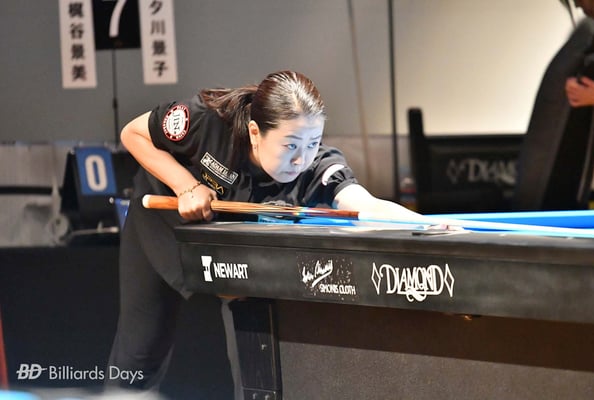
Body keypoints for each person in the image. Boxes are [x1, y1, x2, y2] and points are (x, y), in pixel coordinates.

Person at [105, 70, 420, 395]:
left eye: (313, 143)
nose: (301, 159)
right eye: (290, 145)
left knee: (254, 340)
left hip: (233, 245)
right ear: (255, 132)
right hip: (163, 221)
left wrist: (422, 225)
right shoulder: (208, 121)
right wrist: (186, 185)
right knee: (140, 352)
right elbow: (133, 133)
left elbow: (363, 203)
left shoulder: (316, 165)